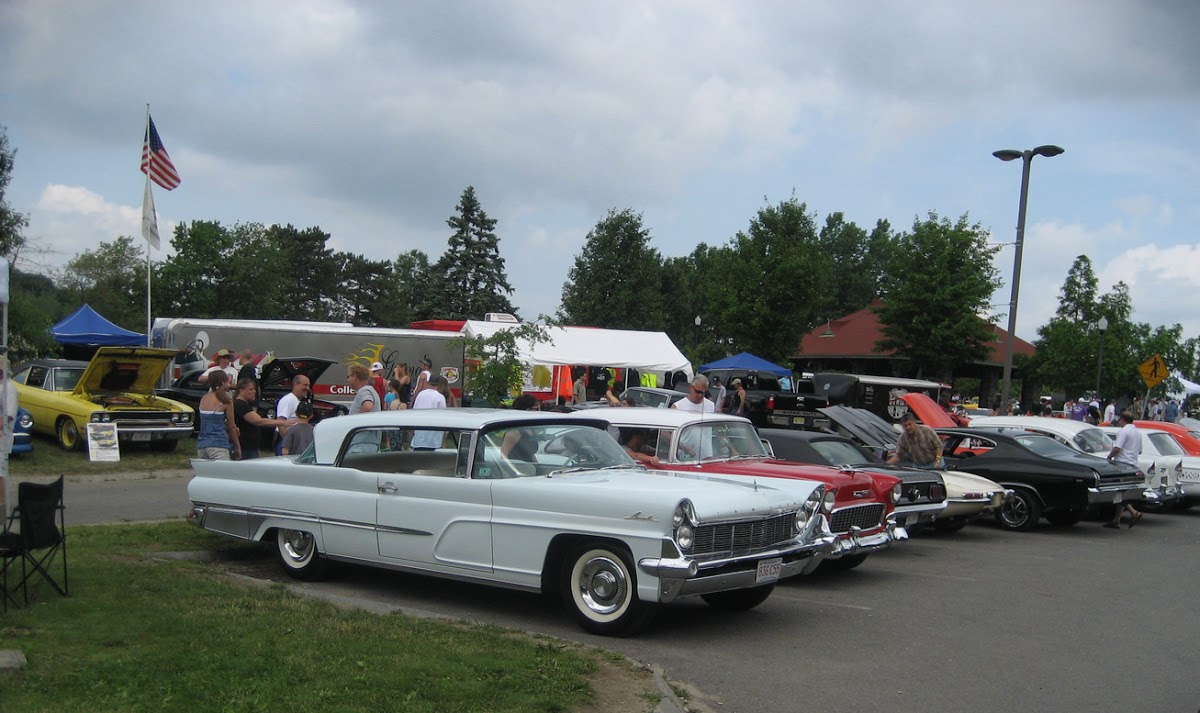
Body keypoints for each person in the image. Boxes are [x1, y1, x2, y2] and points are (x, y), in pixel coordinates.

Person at [233, 378, 293, 459]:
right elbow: (258, 421)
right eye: (250, 389)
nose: (254, 391)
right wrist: (282, 422)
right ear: (241, 391)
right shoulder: (240, 404)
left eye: (254, 389)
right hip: (245, 448)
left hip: (251, 447)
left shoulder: (246, 405)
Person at [1105, 412, 1143, 528]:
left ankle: (1133, 512)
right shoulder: (1138, 432)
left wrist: (1109, 456)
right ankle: (1116, 520)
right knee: (1122, 490)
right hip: (1133, 463)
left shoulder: (1123, 431)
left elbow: (1117, 448)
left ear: (1122, 420)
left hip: (1122, 463)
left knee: (1118, 491)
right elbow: (1140, 450)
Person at [196, 370, 240, 460]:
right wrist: (237, 446)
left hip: (202, 443)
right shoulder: (226, 401)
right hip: (219, 444)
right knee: (222, 473)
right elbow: (231, 426)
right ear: (223, 383)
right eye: (228, 381)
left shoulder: (204, 398)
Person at [273, 375, 310, 455]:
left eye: (308, 385)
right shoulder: (288, 400)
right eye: (305, 385)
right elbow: (281, 423)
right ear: (296, 384)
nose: (307, 388)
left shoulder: (296, 400)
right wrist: (288, 443)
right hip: (284, 442)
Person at [410, 374, 447, 450]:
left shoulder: (420, 394)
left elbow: (414, 412)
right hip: (434, 439)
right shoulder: (440, 397)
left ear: (428, 383)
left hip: (419, 435)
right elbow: (443, 417)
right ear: (438, 385)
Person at [501, 394, 539, 459]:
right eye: (536, 409)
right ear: (526, 410)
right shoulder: (514, 432)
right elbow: (504, 456)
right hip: (517, 467)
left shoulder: (530, 429)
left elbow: (530, 454)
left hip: (530, 467)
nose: (539, 412)